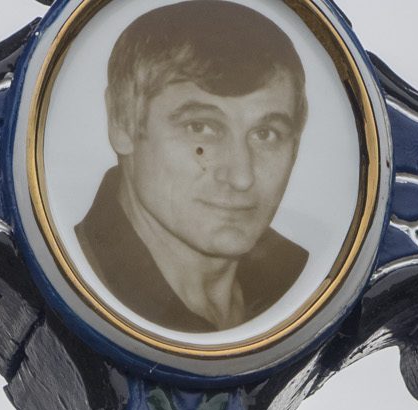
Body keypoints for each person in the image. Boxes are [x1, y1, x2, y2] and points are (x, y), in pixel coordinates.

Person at [75, 0, 310, 334]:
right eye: (200, 128)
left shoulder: (305, 289)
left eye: (265, 134)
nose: (241, 177)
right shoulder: (71, 291)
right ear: (122, 122)